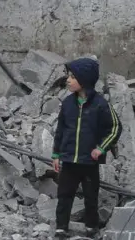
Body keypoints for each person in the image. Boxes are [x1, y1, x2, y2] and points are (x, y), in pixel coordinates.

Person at [50, 58, 119, 236]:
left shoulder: (100, 105)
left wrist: (101, 148)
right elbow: (60, 131)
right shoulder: (67, 104)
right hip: (69, 160)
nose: (68, 80)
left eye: (72, 77)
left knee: (91, 197)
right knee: (64, 195)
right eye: (68, 76)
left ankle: (91, 227)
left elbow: (115, 127)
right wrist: (56, 154)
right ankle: (61, 228)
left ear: (85, 79)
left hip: (89, 162)